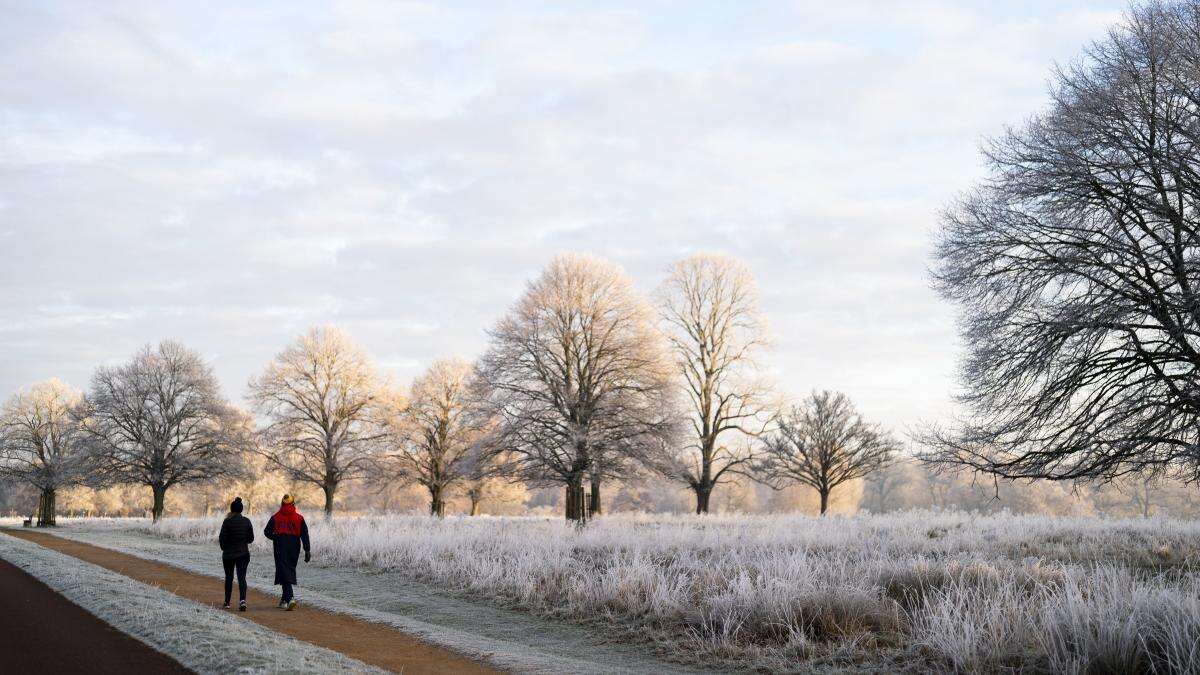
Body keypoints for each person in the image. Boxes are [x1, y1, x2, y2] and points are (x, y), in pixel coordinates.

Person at [263, 493, 310, 610]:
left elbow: (266, 531)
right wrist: (307, 550)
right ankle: (284, 600)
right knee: (288, 570)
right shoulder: (299, 518)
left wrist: (276, 537)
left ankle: (290, 598)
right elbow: (305, 534)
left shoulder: (275, 517)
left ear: (282, 503)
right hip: (295, 546)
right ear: (293, 504)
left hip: (280, 545)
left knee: (283, 571)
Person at [217, 497, 254, 611]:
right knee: (241, 577)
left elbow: (222, 538)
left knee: (229, 577)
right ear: (241, 509)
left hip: (228, 554)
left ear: (231, 509)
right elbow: (251, 539)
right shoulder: (247, 521)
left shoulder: (227, 521)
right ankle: (242, 601)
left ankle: (227, 602)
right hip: (243, 553)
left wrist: (224, 548)